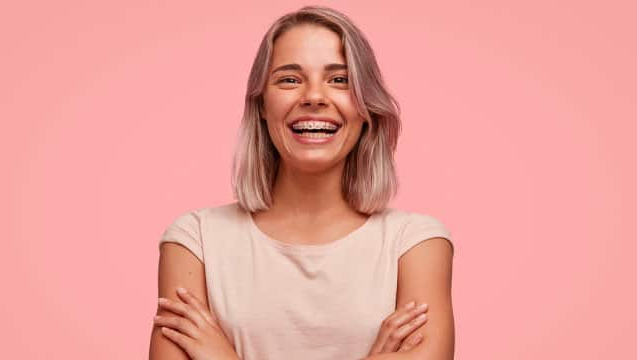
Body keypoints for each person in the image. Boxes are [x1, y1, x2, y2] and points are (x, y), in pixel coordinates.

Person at [149, 5, 455, 360]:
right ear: (262, 104)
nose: (314, 97)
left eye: (340, 80)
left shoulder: (416, 246)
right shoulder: (194, 241)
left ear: (366, 107)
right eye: (289, 79)